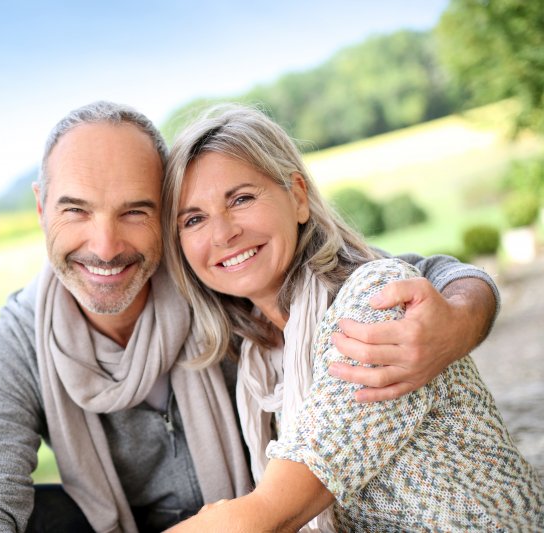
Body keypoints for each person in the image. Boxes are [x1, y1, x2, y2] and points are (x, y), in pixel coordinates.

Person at [0, 101, 501, 533]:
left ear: (164, 215)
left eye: (135, 211)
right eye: (76, 210)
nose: (105, 246)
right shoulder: (21, 342)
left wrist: (459, 317)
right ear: (40, 207)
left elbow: (415, 275)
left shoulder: (213, 285)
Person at [160, 104, 544, 531]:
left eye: (242, 199)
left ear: (299, 197)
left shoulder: (373, 306)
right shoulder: (259, 358)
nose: (222, 232)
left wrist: (467, 307)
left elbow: (269, 515)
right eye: (193, 219)